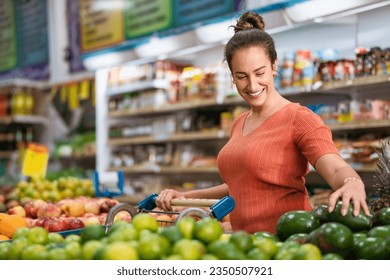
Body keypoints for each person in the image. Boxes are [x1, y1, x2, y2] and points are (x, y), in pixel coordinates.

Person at [156, 11, 370, 234]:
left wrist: (352, 182)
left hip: (288, 244)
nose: (252, 84)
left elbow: (336, 170)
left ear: (274, 66)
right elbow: (240, 185)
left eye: (260, 72)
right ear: (232, 76)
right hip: (246, 246)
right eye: (241, 76)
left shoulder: (300, 118)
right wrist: (185, 197)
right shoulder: (239, 122)